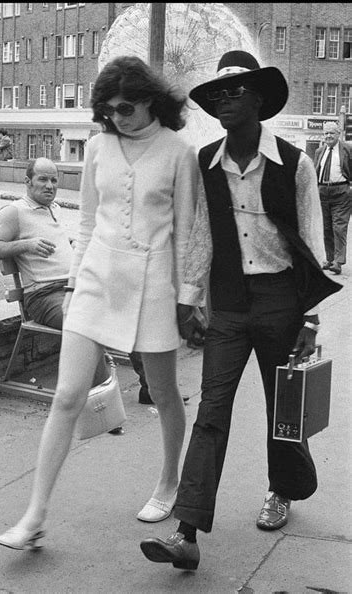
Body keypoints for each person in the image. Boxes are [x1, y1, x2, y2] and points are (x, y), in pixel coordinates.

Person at [140, 50, 342, 571]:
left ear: (259, 101)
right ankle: (186, 532)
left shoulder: (294, 163)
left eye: (236, 91)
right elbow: (202, 233)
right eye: (218, 94)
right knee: (212, 412)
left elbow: (312, 238)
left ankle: (286, 488)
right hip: (229, 303)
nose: (225, 100)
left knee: (284, 410)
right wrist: (189, 301)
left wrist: (310, 318)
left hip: (281, 301)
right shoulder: (206, 161)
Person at [0, 55, 198, 551]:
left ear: (150, 99)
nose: (117, 117)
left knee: (164, 392)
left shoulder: (178, 152)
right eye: (107, 110)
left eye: (125, 107)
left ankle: (170, 480)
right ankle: (34, 514)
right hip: (94, 282)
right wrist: (74, 283)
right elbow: (85, 223)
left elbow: (187, 233)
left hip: (153, 285)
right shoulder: (99, 148)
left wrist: (188, 297)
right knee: (67, 396)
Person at [0, 156, 150, 401]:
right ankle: (103, 403)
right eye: (43, 179)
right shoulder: (14, 211)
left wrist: (70, 244)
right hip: (44, 295)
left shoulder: (55, 208)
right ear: (27, 182)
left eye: (54, 180)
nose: (50, 186)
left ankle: (152, 388)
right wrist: (27, 244)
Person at [313, 121, 352, 275]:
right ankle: (329, 259)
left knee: (339, 227)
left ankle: (338, 261)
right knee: (326, 228)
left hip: (341, 192)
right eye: (326, 133)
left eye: (332, 133)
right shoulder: (319, 151)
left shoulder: (347, 149)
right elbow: (315, 172)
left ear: (338, 134)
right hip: (322, 192)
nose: (328, 136)